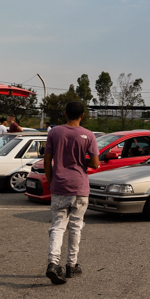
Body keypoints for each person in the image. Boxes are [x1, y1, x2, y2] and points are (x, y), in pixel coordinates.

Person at [43, 101, 100, 284]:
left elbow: (47, 160)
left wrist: (51, 182)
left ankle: (53, 263)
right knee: (76, 226)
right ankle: (71, 265)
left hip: (59, 185)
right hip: (80, 186)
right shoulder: (89, 135)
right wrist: (81, 157)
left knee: (58, 226)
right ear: (82, 115)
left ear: (65, 113)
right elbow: (95, 164)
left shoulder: (54, 132)